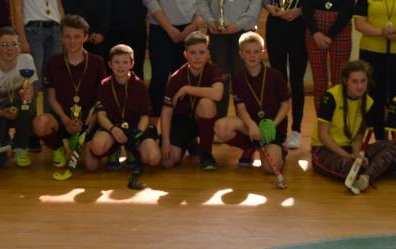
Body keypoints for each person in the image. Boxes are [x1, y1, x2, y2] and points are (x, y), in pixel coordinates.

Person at [197, 0, 264, 119]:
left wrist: (239, 24)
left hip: (243, 34)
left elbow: (256, 3)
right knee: (222, 78)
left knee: (242, 77)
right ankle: (221, 121)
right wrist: (210, 21)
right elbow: (201, 0)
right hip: (217, 34)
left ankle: (247, 121)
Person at [311, 60, 396, 195]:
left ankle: (365, 177)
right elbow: (323, 135)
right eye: (355, 81)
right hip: (325, 150)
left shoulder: (368, 102)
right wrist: (349, 156)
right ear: (345, 81)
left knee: (393, 145)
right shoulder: (330, 97)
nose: (360, 86)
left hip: (349, 149)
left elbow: (358, 137)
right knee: (352, 166)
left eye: (363, 81)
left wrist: (358, 155)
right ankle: (373, 170)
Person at [10, 0, 64, 141]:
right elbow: (16, 8)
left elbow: (59, 7)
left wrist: (65, 33)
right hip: (33, 32)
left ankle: (49, 130)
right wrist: (21, 39)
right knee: (33, 83)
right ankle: (28, 132)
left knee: (53, 82)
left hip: (55, 32)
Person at [262, 0, 311, 150]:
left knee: (297, 81)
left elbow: (313, 0)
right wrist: (271, 8)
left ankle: (297, 130)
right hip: (277, 26)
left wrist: (299, 10)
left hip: (299, 26)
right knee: (278, 80)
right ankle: (279, 129)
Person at [33, 15, 104, 168]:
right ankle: (59, 149)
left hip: (88, 121)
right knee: (40, 123)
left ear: (85, 37)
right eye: (67, 37)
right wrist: (66, 120)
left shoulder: (97, 62)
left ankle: (88, 145)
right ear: (62, 37)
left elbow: (102, 98)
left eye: (77, 37)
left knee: (91, 166)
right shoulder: (53, 62)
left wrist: (92, 120)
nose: (72, 41)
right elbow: (51, 98)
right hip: (63, 119)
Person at [214, 32, 290, 176]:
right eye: (248, 52)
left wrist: (273, 125)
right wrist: (251, 125)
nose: (252, 56)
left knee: (270, 168)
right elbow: (240, 108)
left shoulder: (275, 75)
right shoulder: (238, 78)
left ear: (262, 52)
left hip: (273, 128)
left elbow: (285, 104)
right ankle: (250, 147)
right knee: (221, 126)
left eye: (256, 51)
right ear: (241, 54)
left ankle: (279, 148)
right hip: (250, 127)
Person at [89, 44, 160, 175]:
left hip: (135, 130)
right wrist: (112, 129)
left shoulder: (140, 85)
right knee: (97, 147)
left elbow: (145, 117)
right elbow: (101, 116)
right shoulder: (104, 85)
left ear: (132, 64)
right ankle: (114, 150)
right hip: (112, 129)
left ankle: (133, 151)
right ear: (110, 64)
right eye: (116, 62)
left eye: (125, 62)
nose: (120, 66)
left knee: (153, 159)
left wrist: (137, 135)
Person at [160, 31, 223, 171]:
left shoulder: (213, 70)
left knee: (206, 103)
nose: (197, 57)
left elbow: (217, 94)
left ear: (208, 54)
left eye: (202, 52)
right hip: (181, 121)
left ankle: (206, 153)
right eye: (193, 53)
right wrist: (165, 141)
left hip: (202, 119)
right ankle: (191, 143)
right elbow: (166, 112)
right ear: (185, 55)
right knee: (167, 162)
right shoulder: (176, 77)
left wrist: (187, 89)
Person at [0, 27, 38, 167]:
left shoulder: (27, 60)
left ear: (19, 47)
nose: (10, 49)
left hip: (14, 109)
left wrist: (27, 95)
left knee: (28, 108)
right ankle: (6, 141)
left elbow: (30, 89)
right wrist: (3, 114)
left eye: (13, 44)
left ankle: (21, 148)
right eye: (4, 45)